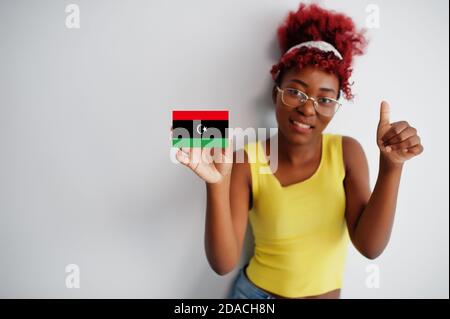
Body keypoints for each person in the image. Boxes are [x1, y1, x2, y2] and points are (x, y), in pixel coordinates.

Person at [174, 3, 423, 299]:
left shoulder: (347, 153)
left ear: (336, 106)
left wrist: (391, 167)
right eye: (295, 91)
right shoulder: (244, 159)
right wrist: (216, 184)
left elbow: (370, 247)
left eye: (325, 99)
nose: (307, 108)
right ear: (274, 93)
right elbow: (223, 263)